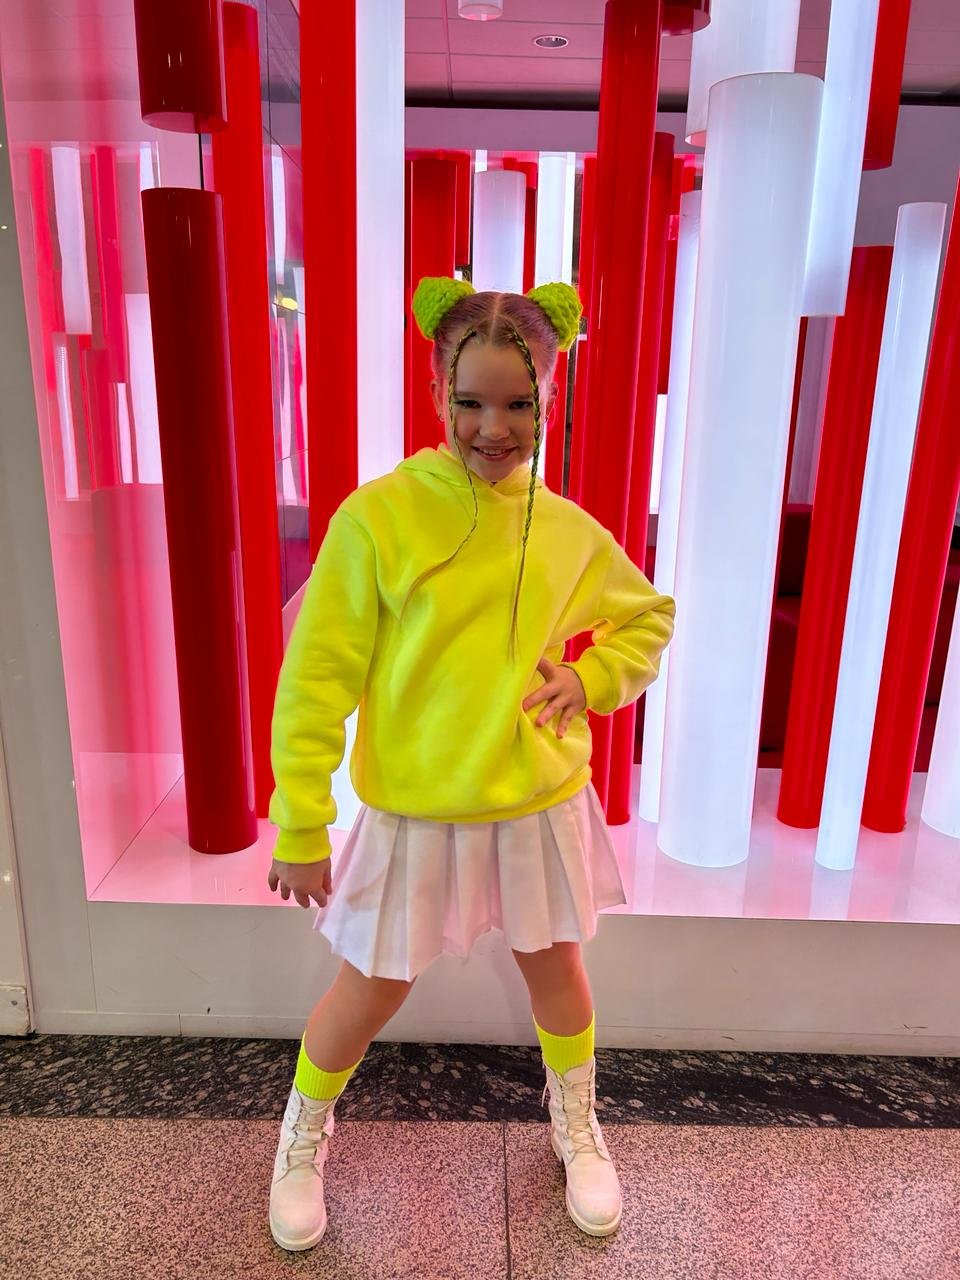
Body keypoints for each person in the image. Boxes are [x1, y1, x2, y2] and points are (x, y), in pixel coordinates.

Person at [266, 275, 676, 1252]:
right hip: (414, 809)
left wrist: (591, 677)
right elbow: (316, 675)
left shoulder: (565, 529)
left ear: (550, 396)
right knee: (369, 987)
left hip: (533, 800)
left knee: (558, 971)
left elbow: (647, 615)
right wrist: (301, 818)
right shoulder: (378, 518)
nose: (495, 427)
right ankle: (300, 1135)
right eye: (472, 401)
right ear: (438, 392)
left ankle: (577, 1122)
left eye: (519, 403)